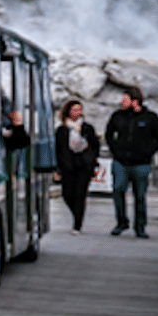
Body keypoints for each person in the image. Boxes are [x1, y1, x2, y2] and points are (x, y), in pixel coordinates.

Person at [105, 86, 158, 238]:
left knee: (140, 196)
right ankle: (121, 222)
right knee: (118, 191)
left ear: (135, 101)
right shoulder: (117, 116)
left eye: (125, 99)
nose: (121, 102)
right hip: (121, 162)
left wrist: (147, 151)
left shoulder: (150, 117)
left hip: (141, 164)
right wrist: (115, 149)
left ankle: (140, 227)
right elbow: (108, 134)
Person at [54, 99, 101, 234]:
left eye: (79, 110)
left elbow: (95, 144)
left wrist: (92, 159)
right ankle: (76, 214)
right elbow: (57, 150)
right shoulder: (62, 130)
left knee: (80, 194)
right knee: (67, 194)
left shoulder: (86, 128)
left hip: (83, 165)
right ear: (68, 112)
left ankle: (77, 224)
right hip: (67, 165)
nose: (77, 113)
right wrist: (57, 169)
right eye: (75, 110)